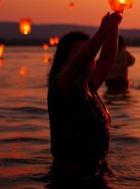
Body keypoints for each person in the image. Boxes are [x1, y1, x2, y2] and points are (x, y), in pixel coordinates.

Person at [47, 11, 122, 181]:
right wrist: (103, 30)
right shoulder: (61, 85)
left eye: (87, 50)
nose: (88, 55)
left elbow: (106, 59)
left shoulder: (89, 86)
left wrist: (114, 25)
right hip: (69, 178)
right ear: (64, 59)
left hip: (97, 174)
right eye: (78, 50)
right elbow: (80, 62)